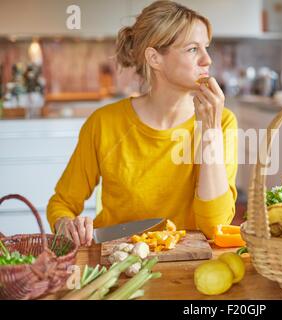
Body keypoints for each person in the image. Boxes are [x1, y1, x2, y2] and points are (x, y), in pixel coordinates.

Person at [47, 1, 238, 246]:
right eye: (192, 49)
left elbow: (214, 227)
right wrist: (64, 224)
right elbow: (61, 203)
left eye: (206, 48)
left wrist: (209, 131)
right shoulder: (104, 123)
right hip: (116, 260)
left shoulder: (221, 121)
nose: (207, 60)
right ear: (154, 58)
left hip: (186, 263)